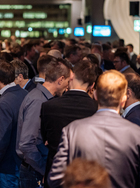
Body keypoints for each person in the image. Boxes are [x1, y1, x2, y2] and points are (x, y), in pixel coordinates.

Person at [48, 70, 140, 188]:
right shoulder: (136, 134)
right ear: (123, 99)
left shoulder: (73, 130)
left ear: (95, 95)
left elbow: (55, 178)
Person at [41, 60, 98, 188]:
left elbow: (45, 138)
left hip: (56, 173)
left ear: (71, 78)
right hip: (85, 175)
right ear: (92, 85)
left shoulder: (49, 106)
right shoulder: (97, 108)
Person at [16, 58, 72, 188]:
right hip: (34, 172)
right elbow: (26, 144)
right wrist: (45, 170)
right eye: (68, 81)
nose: (68, 86)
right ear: (61, 79)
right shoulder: (38, 101)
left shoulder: (43, 98)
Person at [0, 61, 28, 188]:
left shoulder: (4, 102)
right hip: (21, 162)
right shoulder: (24, 93)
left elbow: (0, 140)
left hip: (6, 167)